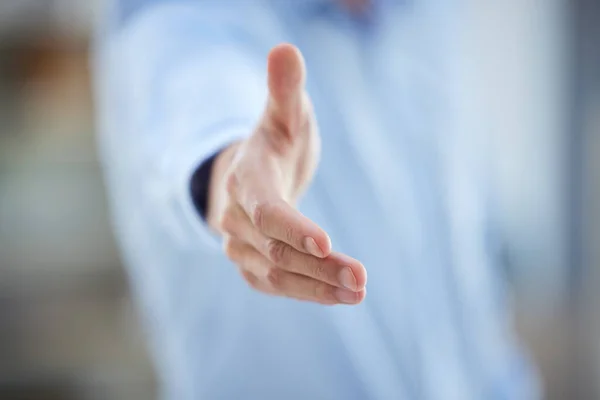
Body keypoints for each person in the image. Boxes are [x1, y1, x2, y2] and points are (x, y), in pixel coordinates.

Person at [94, 0, 541, 398]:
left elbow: (466, 281)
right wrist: (238, 177)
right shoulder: (184, 19)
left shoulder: (429, 16)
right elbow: (196, 101)